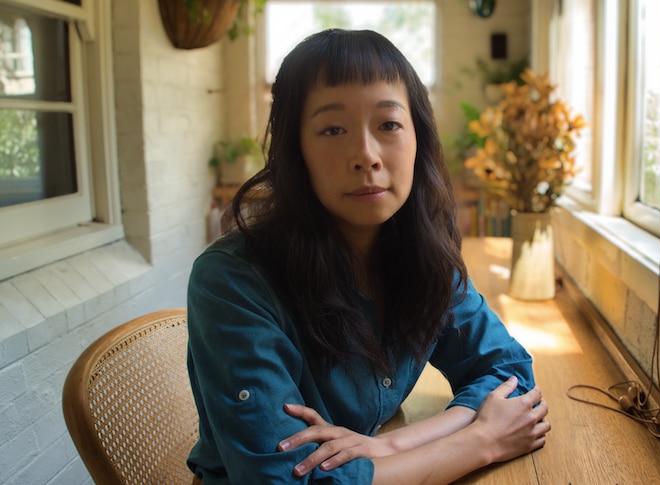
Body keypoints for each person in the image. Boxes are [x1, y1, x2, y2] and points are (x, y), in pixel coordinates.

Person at [186, 28, 550, 484]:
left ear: (418, 138)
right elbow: (285, 480)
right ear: (295, 149)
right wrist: (482, 441)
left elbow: (509, 372)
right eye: (333, 129)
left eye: (388, 124)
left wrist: (390, 444)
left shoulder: (420, 253)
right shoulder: (232, 281)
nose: (365, 155)